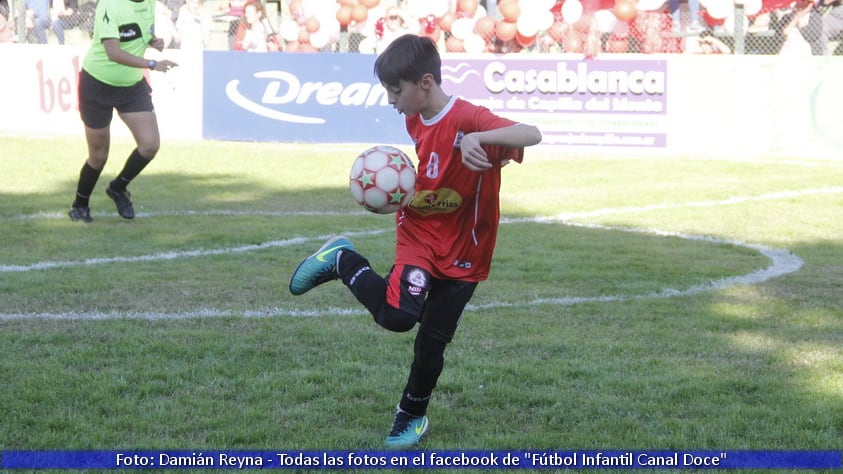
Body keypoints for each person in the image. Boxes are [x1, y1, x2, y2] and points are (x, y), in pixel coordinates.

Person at [288, 34, 542, 447]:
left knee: (432, 344)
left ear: (425, 82)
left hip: (466, 250)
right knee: (398, 317)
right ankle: (343, 261)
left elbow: (532, 133)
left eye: (395, 90)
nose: (391, 101)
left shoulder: (469, 117)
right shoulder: (412, 117)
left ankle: (411, 417)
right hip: (420, 235)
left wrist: (480, 138)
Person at [67, 0, 178, 223]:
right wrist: (152, 63)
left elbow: (140, 32)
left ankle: (118, 188)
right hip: (97, 85)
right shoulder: (110, 4)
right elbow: (113, 53)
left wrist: (153, 41)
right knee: (99, 156)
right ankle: (80, 205)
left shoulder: (148, 4)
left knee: (150, 145)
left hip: (131, 86)